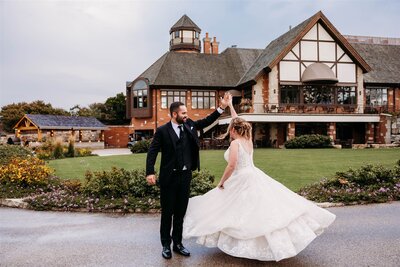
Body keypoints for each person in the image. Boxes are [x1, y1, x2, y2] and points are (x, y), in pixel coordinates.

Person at [182, 98, 336, 261]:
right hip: (253, 174)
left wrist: (222, 182)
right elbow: (237, 120)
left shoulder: (235, 144)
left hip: (241, 177)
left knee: (233, 208)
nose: (230, 132)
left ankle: (245, 242)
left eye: (230, 129)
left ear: (234, 129)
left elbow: (231, 166)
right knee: (254, 209)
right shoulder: (248, 140)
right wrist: (231, 106)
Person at [146, 93, 232, 259]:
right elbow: (153, 151)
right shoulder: (163, 131)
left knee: (180, 213)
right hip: (168, 178)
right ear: (174, 114)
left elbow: (206, 121)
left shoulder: (190, 125)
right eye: (183, 113)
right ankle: (166, 245)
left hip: (185, 177)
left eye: (186, 113)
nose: (186, 115)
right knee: (167, 213)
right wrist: (150, 171)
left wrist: (222, 107)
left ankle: (178, 244)